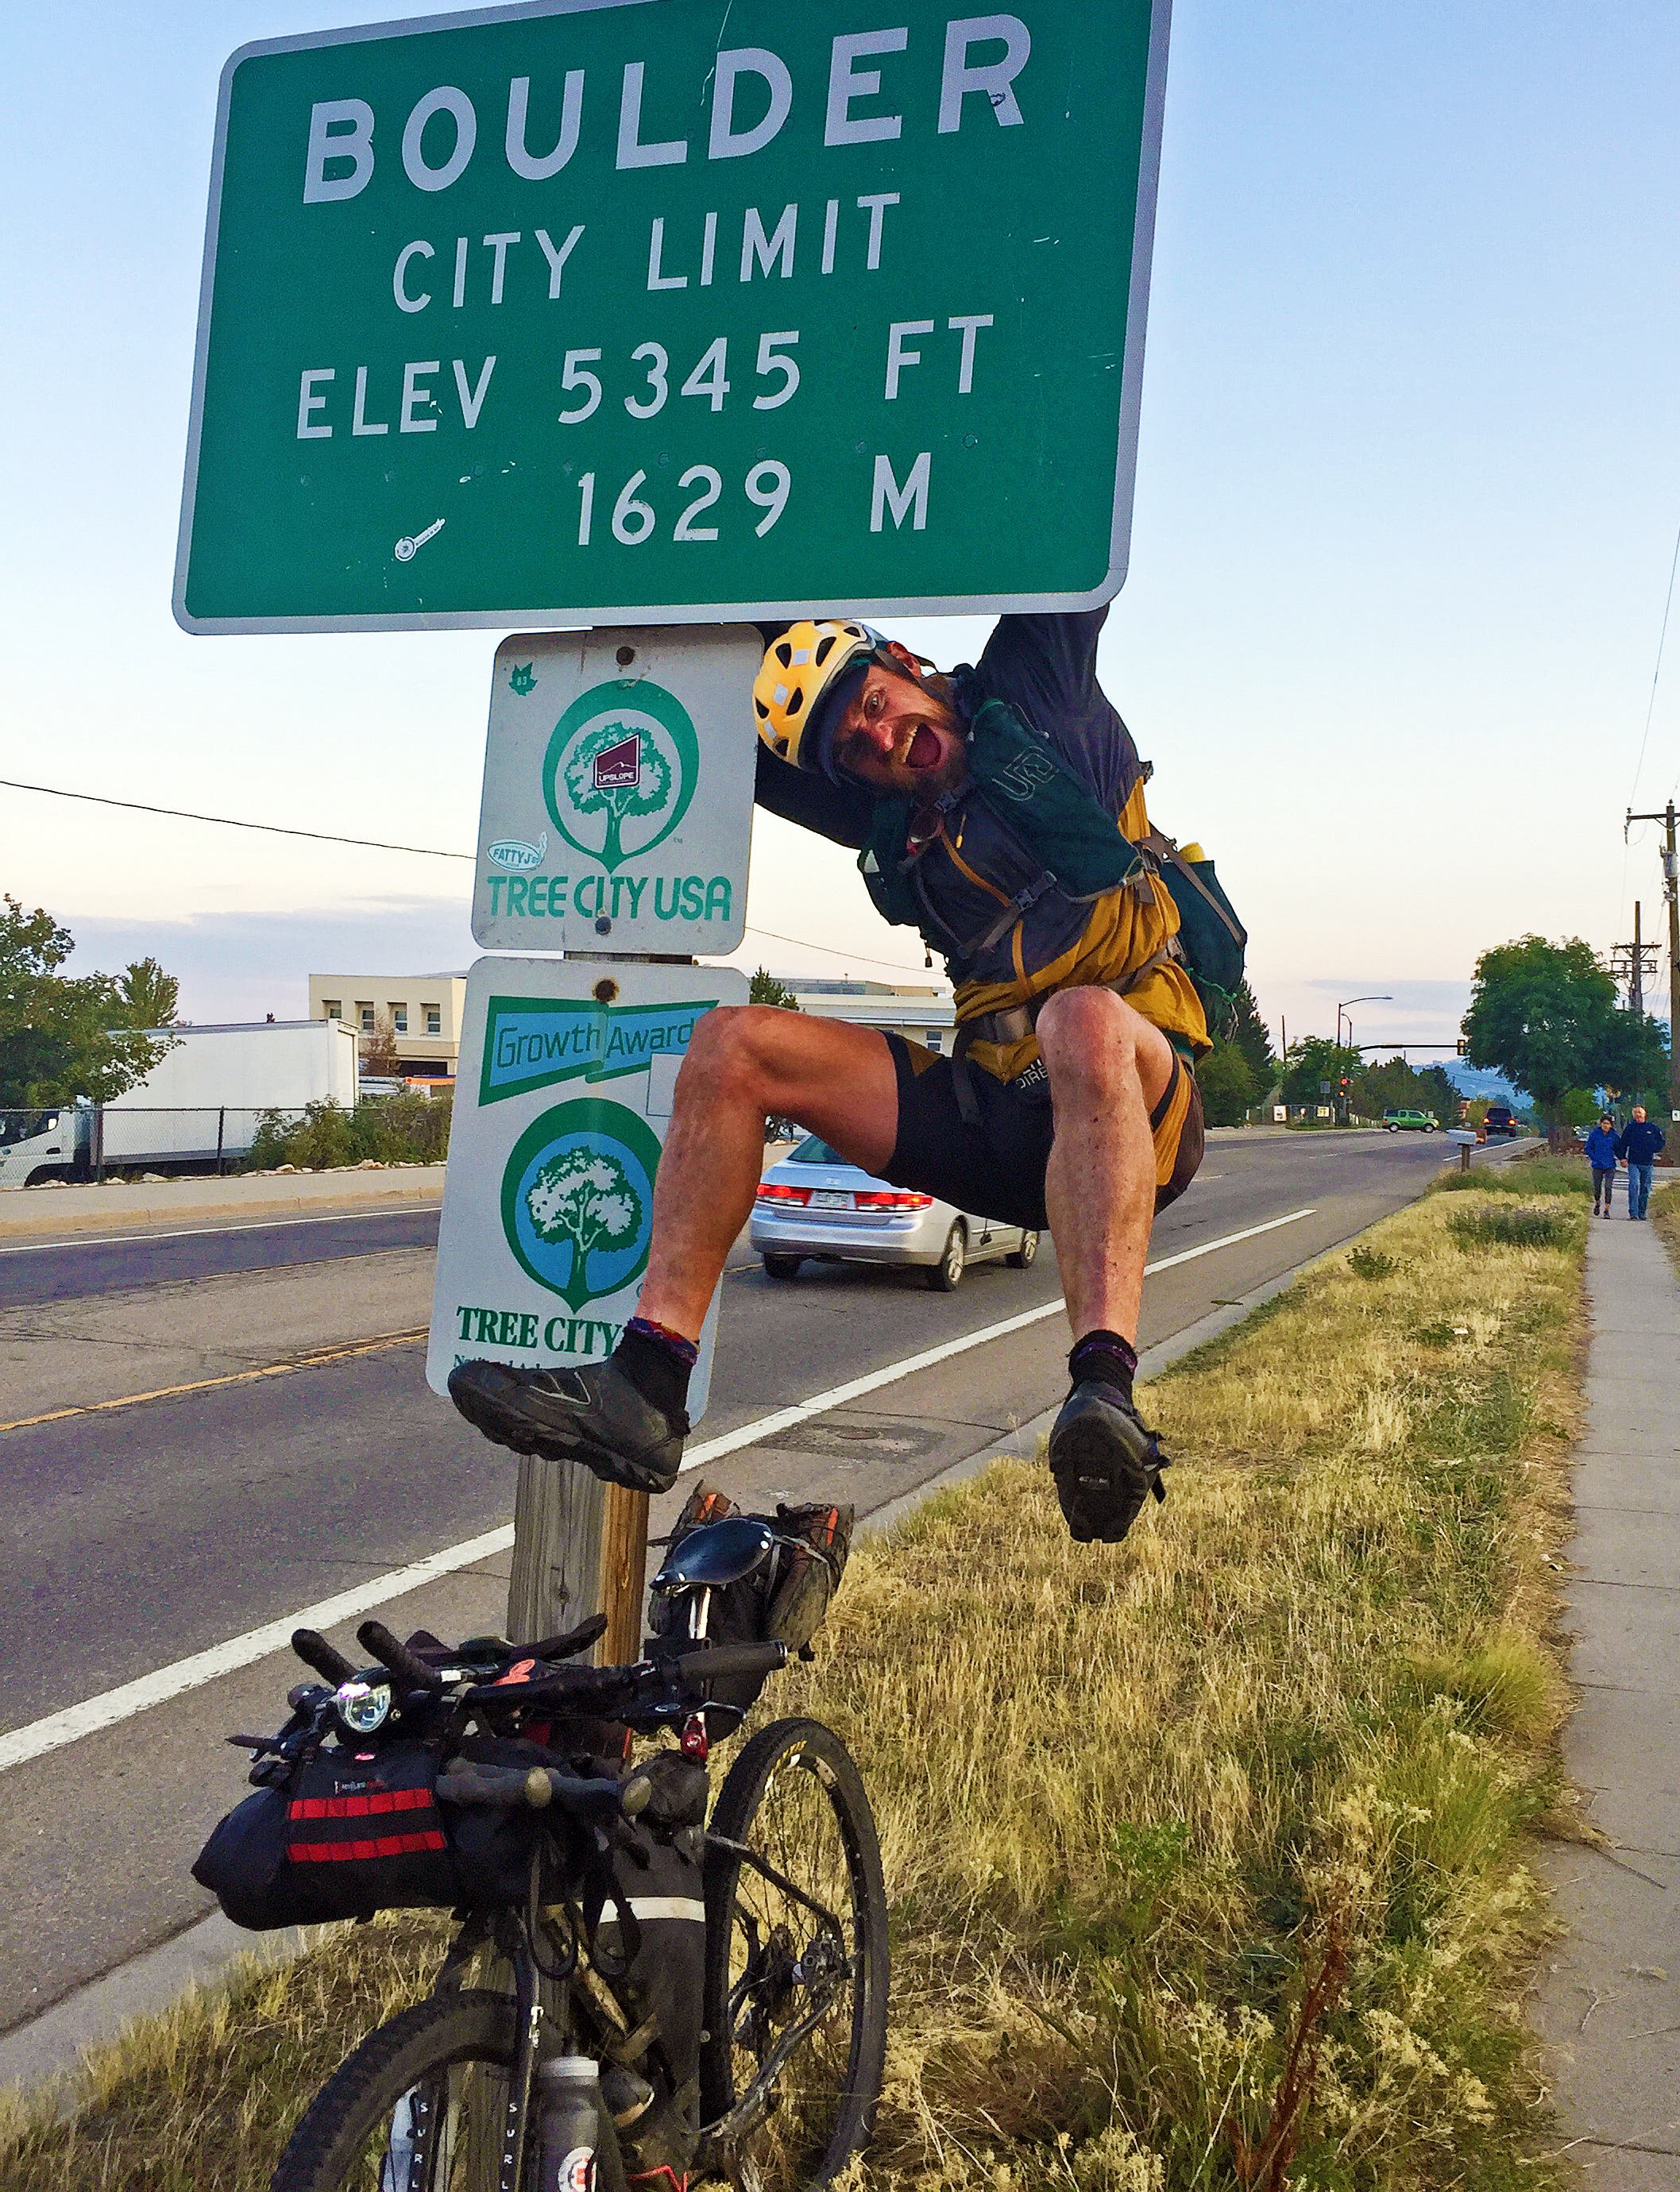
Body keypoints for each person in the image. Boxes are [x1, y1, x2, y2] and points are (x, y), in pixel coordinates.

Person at [450, 609, 1216, 1546]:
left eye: (875, 704)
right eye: (855, 748)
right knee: (731, 1046)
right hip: (999, 1117)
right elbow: (731, 706)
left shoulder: (1037, 684)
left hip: (1133, 1103)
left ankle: (1103, 1391)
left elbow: (1066, 550)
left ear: (903, 664)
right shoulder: (883, 804)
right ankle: (645, 1391)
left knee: (1080, 1019)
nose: (880, 739)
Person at [1616, 1104, 1664, 1219]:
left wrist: (1654, 1149)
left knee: (1645, 1188)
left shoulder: (1652, 1128)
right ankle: (1633, 1213)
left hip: (1647, 1163)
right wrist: (1622, 1158)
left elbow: (1661, 1142)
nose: (1638, 1115)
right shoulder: (1630, 1128)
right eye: (1636, 1113)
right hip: (1634, 1162)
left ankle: (1642, 1213)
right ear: (1633, 1115)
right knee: (1634, 1185)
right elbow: (1622, 1144)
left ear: (1644, 1114)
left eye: (1640, 1112)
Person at [1584, 1110, 1619, 1216]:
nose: (1605, 1125)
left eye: (1608, 1124)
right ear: (1601, 1124)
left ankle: (1607, 1210)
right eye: (1604, 1123)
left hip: (1610, 1165)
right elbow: (1588, 1148)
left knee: (1608, 1187)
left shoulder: (1614, 1136)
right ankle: (1597, 1202)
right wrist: (1595, 1158)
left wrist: (1622, 1158)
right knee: (1597, 1187)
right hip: (1597, 1165)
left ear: (1611, 1125)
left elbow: (1619, 1148)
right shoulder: (1594, 1134)